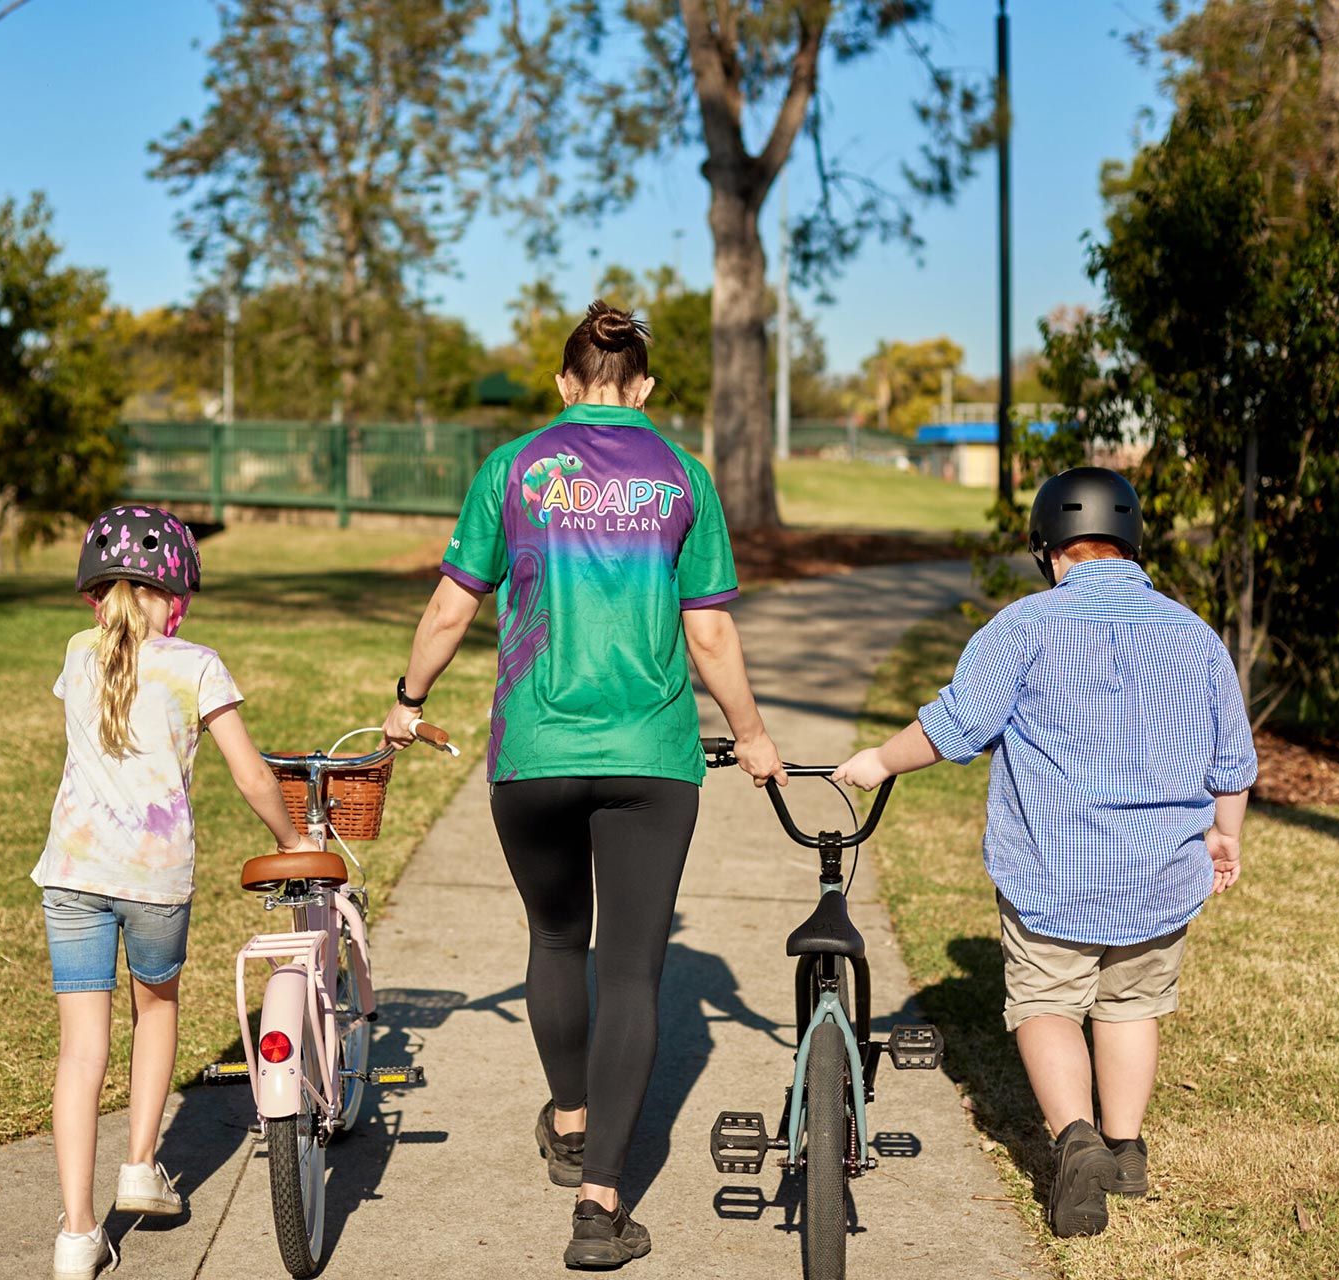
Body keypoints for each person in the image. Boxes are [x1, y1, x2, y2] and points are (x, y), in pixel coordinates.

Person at [383, 301, 786, 1269]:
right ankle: (601, 1204)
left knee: (558, 936)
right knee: (635, 971)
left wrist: (407, 697)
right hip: (652, 754)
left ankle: (568, 1120)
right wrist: (755, 733)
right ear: (642, 387)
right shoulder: (685, 475)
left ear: (566, 384)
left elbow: (451, 605)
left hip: (534, 750)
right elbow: (711, 633)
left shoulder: (514, 467)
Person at [832, 467, 1256, 1239]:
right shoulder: (1195, 635)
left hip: (1055, 873)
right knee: (1130, 1006)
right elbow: (1233, 761)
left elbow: (953, 726)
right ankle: (1126, 1153)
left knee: (1047, 1003)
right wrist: (1224, 832)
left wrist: (878, 762)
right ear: (1131, 542)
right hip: (1160, 872)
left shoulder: (1024, 628)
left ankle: (1075, 1141)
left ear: (1048, 550)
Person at [33, 504, 314, 1280]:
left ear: (100, 589)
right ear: (177, 589)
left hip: (71, 875)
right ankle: (139, 1165)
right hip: (153, 881)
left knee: (80, 1051)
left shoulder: (77, 653)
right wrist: (296, 841)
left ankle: (77, 1235)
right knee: (154, 1006)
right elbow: (252, 775)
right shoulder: (196, 664)